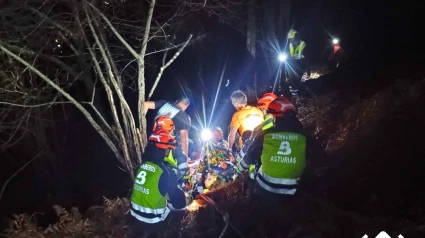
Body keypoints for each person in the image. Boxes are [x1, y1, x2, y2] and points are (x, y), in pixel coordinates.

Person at [236, 97, 306, 235]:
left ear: (275, 116)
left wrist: (237, 171)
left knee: (252, 175)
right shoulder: (303, 135)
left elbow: (249, 158)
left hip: (267, 188)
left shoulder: (266, 134)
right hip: (294, 188)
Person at [129, 116, 192, 238]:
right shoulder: (167, 173)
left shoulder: (142, 165)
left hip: (134, 216)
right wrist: (188, 197)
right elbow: (179, 203)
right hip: (153, 221)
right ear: (165, 149)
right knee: (180, 209)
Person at [144, 97, 191, 174]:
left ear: (177, 101)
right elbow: (184, 140)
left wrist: (142, 125)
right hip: (164, 148)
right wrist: (185, 160)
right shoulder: (185, 118)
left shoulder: (164, 103)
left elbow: (145, 104)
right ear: (186, 106)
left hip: (149, 141)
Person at [286, 29, 311, 97]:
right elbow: (288, 52)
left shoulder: (303, 45)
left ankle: (297, 93)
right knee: (292, 78)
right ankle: (294, 90)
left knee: (297, 78)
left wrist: (308, 69)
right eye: (290, 39)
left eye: (292, 39)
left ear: (296, 37)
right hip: (292, 63)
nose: (291, 41)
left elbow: (307, 58)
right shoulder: (290, 44)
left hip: (300, 64)